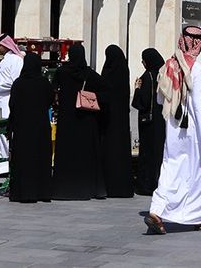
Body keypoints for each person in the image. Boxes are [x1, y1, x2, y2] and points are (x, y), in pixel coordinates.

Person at [145, 26, 201, 234]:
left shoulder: (169, 64)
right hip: (192, 131)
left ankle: (157, 210)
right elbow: (200, 105)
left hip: (173, 128)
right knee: (198, 173)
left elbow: (161, 97)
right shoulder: (195, 69)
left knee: (171, 168)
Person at [52, 43, 106, 200]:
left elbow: (54, 89)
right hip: (86, 118)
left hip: (67, 119)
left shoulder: (61, 72)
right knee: (84, 154)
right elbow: (105, 88)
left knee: (67, 153)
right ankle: (85, 188)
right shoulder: (89, 73)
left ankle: (64, 189)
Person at [7, 52, 53, 203]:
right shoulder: (44, 83)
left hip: (22, 127)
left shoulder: (18, 83)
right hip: (40, 126)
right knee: (40, 158)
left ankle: (23, 193)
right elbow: (49, 101)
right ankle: (42, 192)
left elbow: (12, 105)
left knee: (23, 159)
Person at [99, 44, 134, 198]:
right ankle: (122, 187)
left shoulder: (108, 72)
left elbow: (102, 92)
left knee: (109, 152)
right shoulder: (123, 70)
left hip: (108, 119)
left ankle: (108, 185)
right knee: (120, 151)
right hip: (121, 119)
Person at [132, 48, 166, 195]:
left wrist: (137, 89)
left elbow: (142, 102)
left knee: (147, 152)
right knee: (159, 152)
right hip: (161, 120)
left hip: (148, 123)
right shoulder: (163, 76)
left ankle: (146, 185)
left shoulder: (147, 77)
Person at [0, 33, 25, 175]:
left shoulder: (16, 60)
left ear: (5, 46)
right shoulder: (5, 60)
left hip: (8, 102)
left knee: (6, 135)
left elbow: (14, 83)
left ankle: (8, 166)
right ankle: (2, 166)